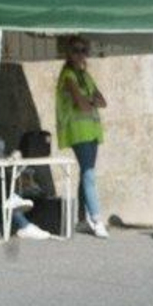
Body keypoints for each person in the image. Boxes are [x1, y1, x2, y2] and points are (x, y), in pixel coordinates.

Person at [56, 36, 108, 238]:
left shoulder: (85, 76)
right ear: (69, 53)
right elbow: (83, 104)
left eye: (83, 50)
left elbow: (103, 101)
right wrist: (90, 100)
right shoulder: (68, 75)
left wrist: (90, 101)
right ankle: (96, 218)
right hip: (78, 132)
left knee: (86, 173)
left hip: (92, 132)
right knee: (89, 174)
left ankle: (81, 219)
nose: (80, 54)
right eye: (76, 50)